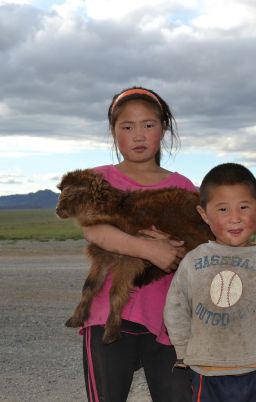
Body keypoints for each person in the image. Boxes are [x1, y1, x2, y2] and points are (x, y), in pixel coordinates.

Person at [75, 86, 193, 402]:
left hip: (169, 322)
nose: (138, 135)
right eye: (127, 127)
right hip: (107, 318)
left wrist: (176, 248)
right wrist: (151, 249)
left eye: (148, 125)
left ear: (163, 129)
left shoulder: (181, 186)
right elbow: (95, 230)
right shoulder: (99, 179)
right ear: (114, 132)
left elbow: (196, 244)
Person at [164, 163, 256, 402]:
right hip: (207, 373)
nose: (235, 218)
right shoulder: (194, 260)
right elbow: (175, 310)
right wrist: (188, 352)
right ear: (203, 214)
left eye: (243, 207)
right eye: (222, 209)